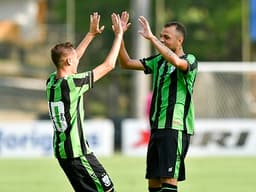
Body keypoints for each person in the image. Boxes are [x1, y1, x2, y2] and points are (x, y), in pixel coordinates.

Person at [119, 11, 198, 192]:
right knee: (153, 182)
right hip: (156, 128)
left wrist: (152, 38)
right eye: (161, 36)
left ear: (180, 41)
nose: (162, 40)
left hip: (175, 127)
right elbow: (126, 63)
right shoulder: (159, 61)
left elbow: (177, 63)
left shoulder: (189, 60)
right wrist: (120, 37)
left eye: (166, 37)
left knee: (169, 179)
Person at [46, 12, 123, 192]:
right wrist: (119, 35)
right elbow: (109, 65)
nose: (78, 60)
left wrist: (90, 35)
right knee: (108, 190)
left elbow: (71, 58)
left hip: (63, 153)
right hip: (78, 154)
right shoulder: (72, 84)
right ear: (69, 61)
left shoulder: (51, 82)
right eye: (75, 59)